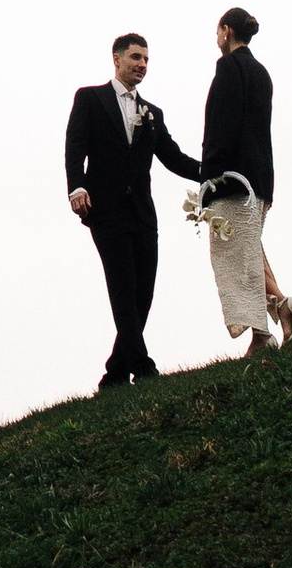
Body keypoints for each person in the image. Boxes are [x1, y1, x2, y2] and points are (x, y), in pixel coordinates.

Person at [65, 31, 199, 389]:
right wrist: (77, 186)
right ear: (117, 59)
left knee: (144, 292)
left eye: (146, 60)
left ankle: (114, 372)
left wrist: (214, 172)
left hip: (143, 213)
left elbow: (173, 158)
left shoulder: (152, 113)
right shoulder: (90, 99)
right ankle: (142, 365)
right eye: (136, 57)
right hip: (106, 211)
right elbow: (74, 147)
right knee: (123, 286)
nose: (142, 64)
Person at [196, 6, 283, 354]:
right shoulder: (261, 73)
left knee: (234, 260)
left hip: (232, 182)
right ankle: (283, 307)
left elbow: (222, 126)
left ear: (226, 31)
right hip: (261, 179)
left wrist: (209, 176)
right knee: (249, 252)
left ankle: (262, 334)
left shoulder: (229, 69)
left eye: (218, 32)